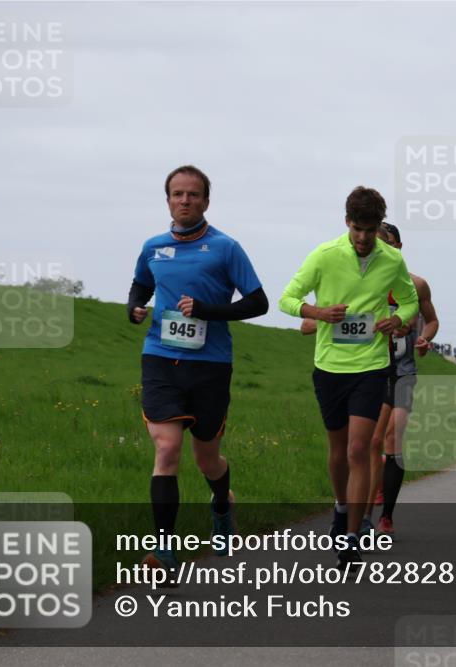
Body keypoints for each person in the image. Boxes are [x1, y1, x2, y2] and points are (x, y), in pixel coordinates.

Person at [128, 165, 269, 579]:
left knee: (207, 459)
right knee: (167, 450)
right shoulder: (153, 247)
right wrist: (135, 308)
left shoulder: (226, 248)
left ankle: (222, 506)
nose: (184, 201)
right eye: (177, 194)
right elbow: (140, 285)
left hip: (209, 365)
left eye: (193, 194)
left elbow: (258, 303)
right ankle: (164, 552)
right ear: (168, 200)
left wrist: (208, 311)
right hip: (160, 358)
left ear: (206, 201)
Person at [279, 186, 418, 566]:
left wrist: (398, 319)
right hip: (329, 367)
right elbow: (287, 299)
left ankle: (352, 536)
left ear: (378, 229)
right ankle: (341, 507)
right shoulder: (324, 256)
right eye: (357, 229)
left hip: (371, 367)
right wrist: (318, 313)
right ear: (346, 223)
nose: (362, 238)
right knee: (338, 451)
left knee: (360, 449)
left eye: (370, 231)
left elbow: (409, 301)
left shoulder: (391, 260)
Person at [370, 223, 438, 538]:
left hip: (403, 371)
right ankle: (365, 506)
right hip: (369, 369)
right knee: (368, 444)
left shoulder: (417, 285)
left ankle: (386, 516)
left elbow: (432, 320)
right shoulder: (365, 285)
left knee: (392, 439)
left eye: (387, 243)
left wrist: (424, 337)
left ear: (398, 246)